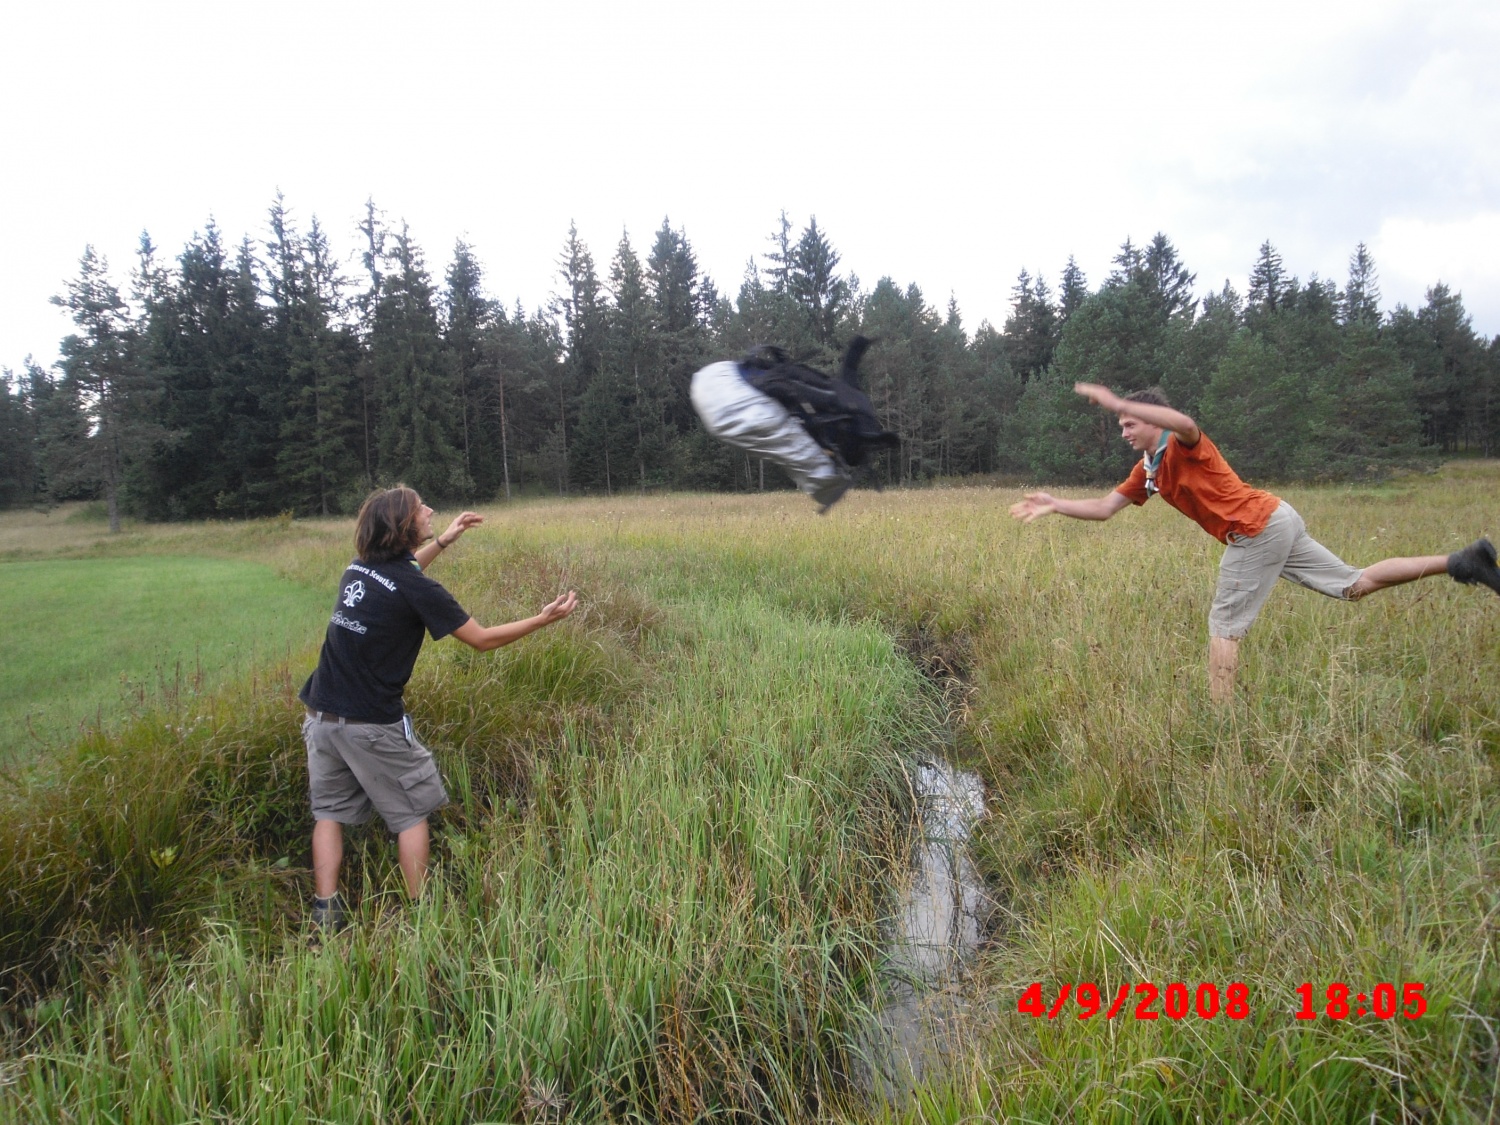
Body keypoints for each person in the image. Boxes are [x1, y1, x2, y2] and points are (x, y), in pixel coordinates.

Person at [1010, 383, 1500, 703]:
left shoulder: (1184, 443)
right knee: (1354, 584)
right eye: (1121, 423)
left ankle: (1219, 725)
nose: (1123, 430)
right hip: (1276, 519)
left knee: (1223, 626)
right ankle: (1462, 561)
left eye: (1128, 423)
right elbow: (1103, 508)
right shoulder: (1149, 469)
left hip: (1256, 531)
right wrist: (1056, 504)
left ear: (1152, 417)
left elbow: (1183, 421)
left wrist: (1118, 400)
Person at [298, 486, 577, 929]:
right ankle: (419, 915)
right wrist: (543, 620)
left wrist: (444, 541)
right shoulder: (416, 588)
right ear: (402, 526)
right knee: (410, 814)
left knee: (328, 813)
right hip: (371, 724)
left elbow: (401, 578)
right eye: (420, 509)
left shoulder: (359, 571)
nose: (429, 510)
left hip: (321, 718)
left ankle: (325, 914)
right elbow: (482, 640)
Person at [690, 336, 899, 512]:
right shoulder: (831, 409)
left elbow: (847, 370)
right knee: (803, 452)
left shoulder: (839, 396)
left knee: (795, 441)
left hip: (720, 379)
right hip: (730, 401)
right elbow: (824, 484)